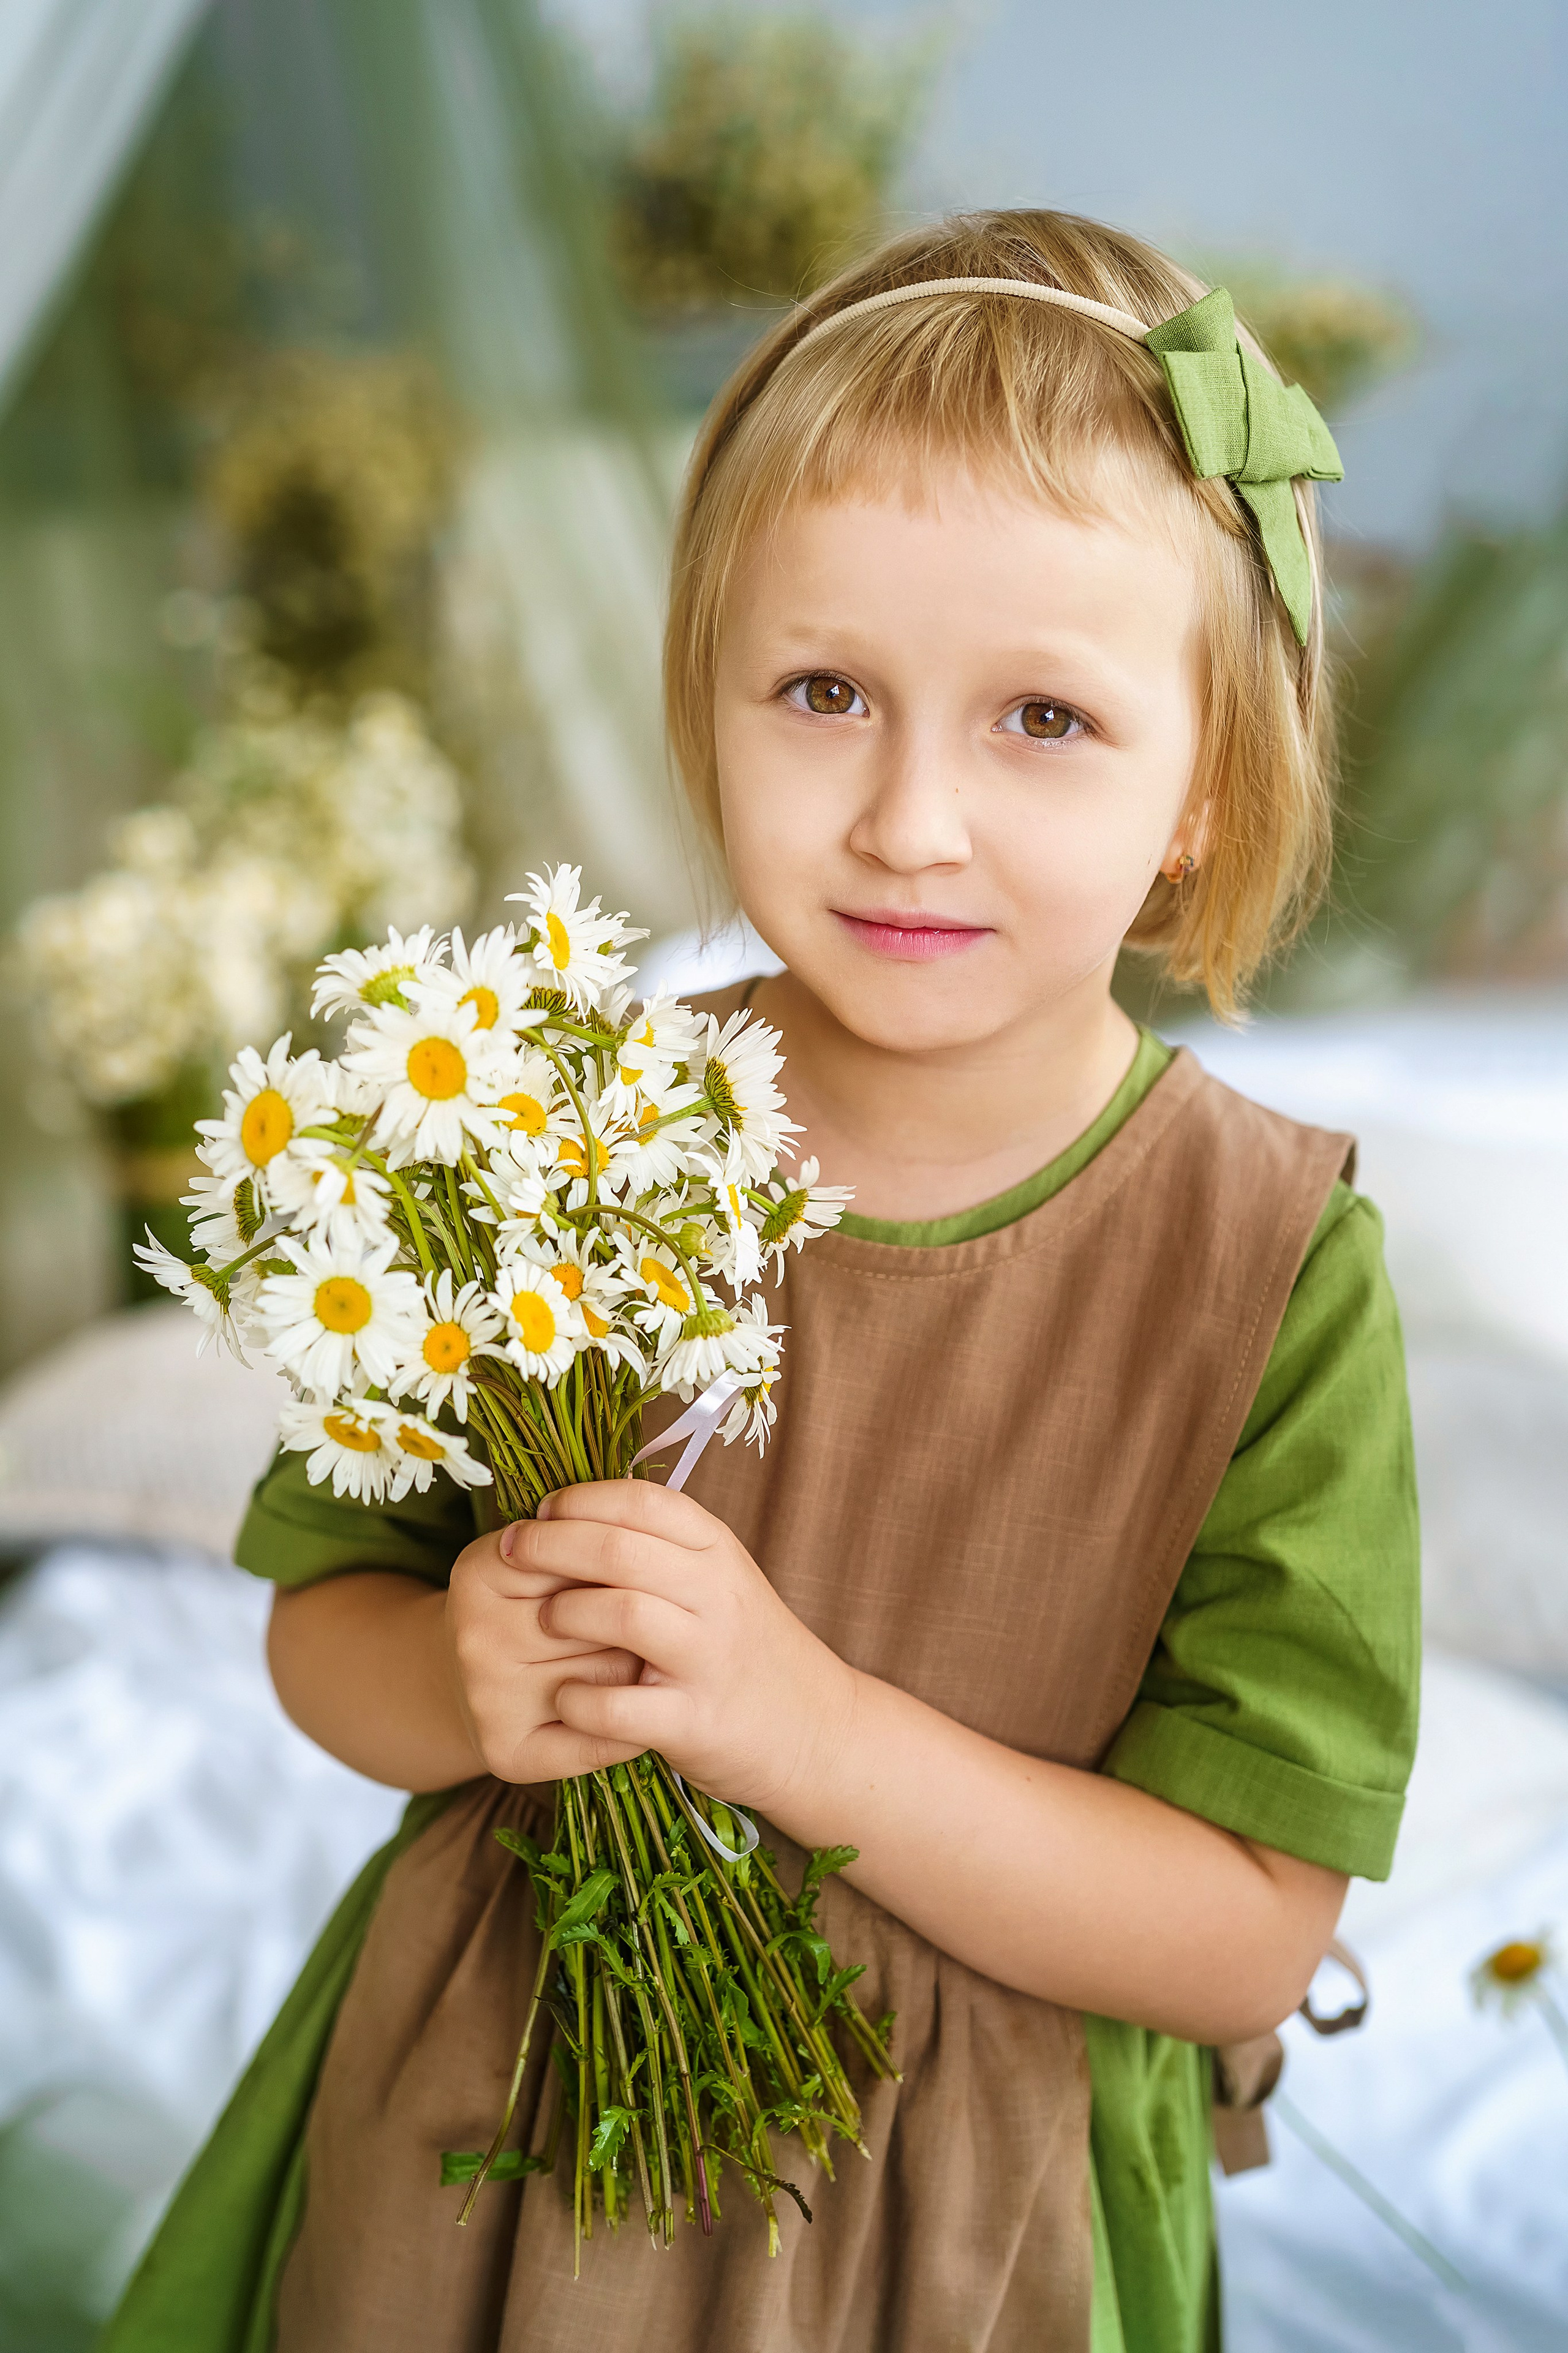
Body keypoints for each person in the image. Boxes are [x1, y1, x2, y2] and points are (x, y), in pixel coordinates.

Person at [106, 211, 1419, 2353]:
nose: (910, 817)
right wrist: (463, 1681)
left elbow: (1246, 1936)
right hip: (493, 2149)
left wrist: (803, 1730)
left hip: (972, 2212)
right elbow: (323, 1630)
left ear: (1206, 785)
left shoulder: (1270, 1266)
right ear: (709, 695)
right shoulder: (557, 1130)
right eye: (824, 692)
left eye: (1045, 720)